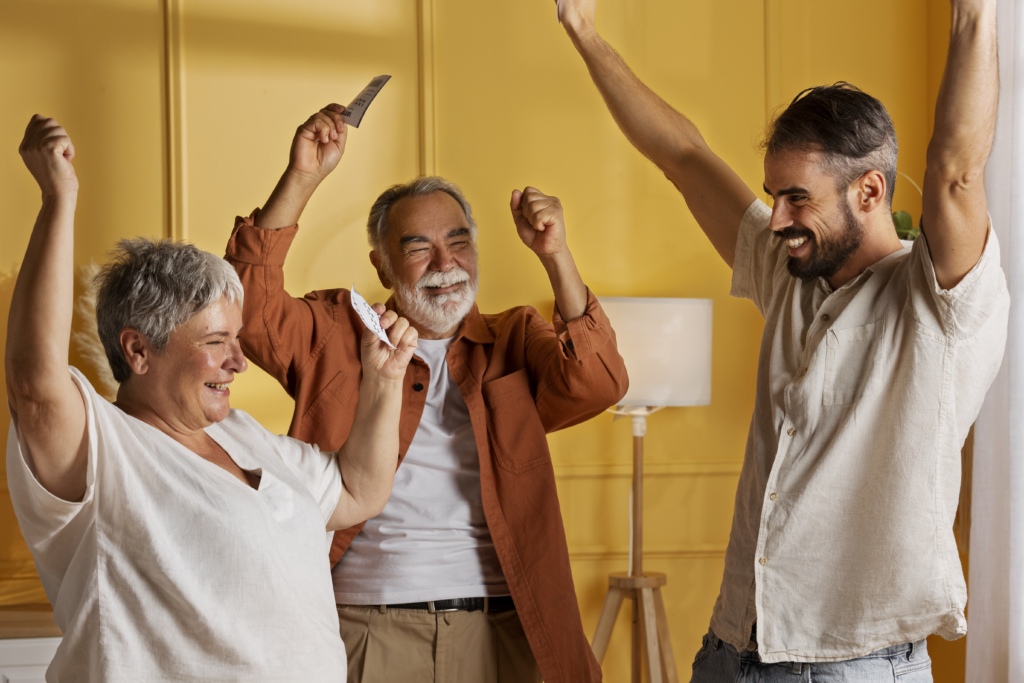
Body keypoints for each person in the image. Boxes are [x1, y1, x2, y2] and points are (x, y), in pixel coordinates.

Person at [556, 0, 1006, 679]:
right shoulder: (792, 270)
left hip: (852, 666)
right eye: (774, 196)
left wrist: (974, 14)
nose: (776, 219)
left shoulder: (937, 302)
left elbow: (956, 170)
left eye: (797, 198)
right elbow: (683, 156)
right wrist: (583, 31)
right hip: (731, 647)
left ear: (869, 191)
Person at [5, 114, 418, 682]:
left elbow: (358, 491)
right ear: (138, 350)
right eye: (215, 342)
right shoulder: (104, 448)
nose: (238, 362)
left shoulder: (241, 435)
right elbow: (35, 386)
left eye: (236, 339)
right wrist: (59, 198)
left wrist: (386, 379)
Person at [224, 105, 628, 683]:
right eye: (418, 248)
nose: (445, 263)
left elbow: (599, 383)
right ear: (382, 266)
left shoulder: (515, 338)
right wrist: (302, 177)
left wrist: (555, 254)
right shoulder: (338, 332)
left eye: (458, 241)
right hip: (367, 630)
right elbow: (245, 306)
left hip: (504, 632)